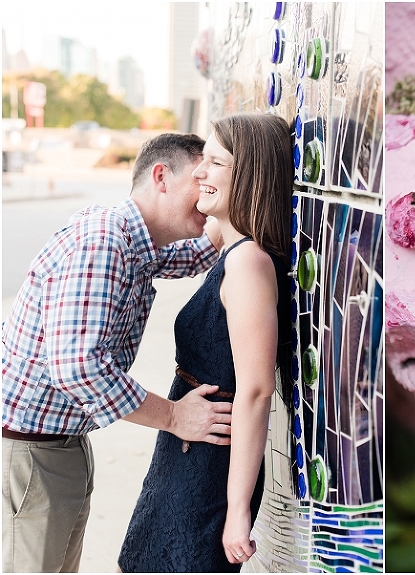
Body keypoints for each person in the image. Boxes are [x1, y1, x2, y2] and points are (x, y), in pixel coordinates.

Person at [1, 132, 234, 573]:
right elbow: (78, 369)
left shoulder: (134, 239)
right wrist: (175, 416)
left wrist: (238, 207)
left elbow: (193, 255)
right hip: (30, 455)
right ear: (161, 177)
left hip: (57, 447)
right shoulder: (103, 242)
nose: (206, 194)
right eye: (200, 180)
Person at [117, 113, 294, 572]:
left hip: (211, 463)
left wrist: (237, 510)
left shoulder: (249, 264)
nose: (198, 173)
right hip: (183, 448)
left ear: (249, 174)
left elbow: (255, 392)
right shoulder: (228, 246)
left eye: (214, 162)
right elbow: (192, 229)